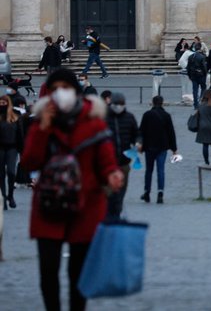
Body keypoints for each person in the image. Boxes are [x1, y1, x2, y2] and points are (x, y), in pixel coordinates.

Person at [22, 69, 123, 311]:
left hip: (85, 206)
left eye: (64, 88)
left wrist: (113, 173)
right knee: (48, 271)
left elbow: (106, 160)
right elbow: (28, 162)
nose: (60, 93)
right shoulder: (40, 123)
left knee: (78, 272)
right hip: (49, 205)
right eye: (54, 88)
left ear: (75, 91)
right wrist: (43, 128)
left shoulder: (94, 122)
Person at [137, 95, 177, 205]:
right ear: (162, 103)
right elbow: (171, 133)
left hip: (149, 147)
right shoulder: (166, 115)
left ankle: (147, 192)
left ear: (153, 103)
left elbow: (141, 131)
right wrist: (174, 149)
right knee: (161, 170)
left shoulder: (147, 115)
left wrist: (140, 145)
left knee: (149, 170)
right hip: (162, 147)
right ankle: (160, 193)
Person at [105, 92, 138, 219]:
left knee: (120, 193)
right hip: (108, 164)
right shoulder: (104, 118)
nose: (118, 106)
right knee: (109, 194)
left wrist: (139, 142)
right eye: (116, 104)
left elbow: (136, 134)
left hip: (124, 162)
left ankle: (115, 216)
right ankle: (110, 217)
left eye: (121, 104)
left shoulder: (129, 118)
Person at [0, 92, 23, 210]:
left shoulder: (16, 116)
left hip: (12, 147)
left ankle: (10, 196)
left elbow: (20, 133)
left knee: (11, 171)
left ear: (8, 104)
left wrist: (22, 149)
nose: (2, 105)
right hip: (0, 148)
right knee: (1, 174)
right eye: (0, 103)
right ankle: (3, 197)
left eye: (4, 103)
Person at [193, 91, 211, 165]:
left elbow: (198, 116)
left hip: (203, 126)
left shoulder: (201, 105)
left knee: (205, 145)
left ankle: (206, 161)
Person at [186, 42, 208, 109]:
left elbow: (188, 67)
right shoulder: (202, 56)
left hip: (193, 75)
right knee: (203, 87)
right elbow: (204, 67)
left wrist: (189, 76)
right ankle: (201, 99)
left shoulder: (190, 57)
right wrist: (205, 74)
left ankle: (195, 104)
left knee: (195, 90)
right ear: (200, 48)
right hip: (201, 75)